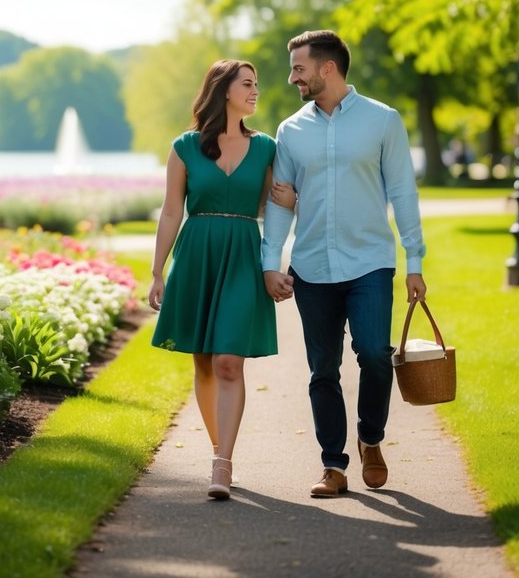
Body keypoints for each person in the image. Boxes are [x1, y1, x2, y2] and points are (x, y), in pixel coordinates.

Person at [261, 29, 427, 498]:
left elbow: (402, 192)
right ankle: (333, 465)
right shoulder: (290, 130)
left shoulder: (383, 121)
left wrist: (414, 259)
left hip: (370, 262)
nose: (292, 77)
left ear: (326, 68)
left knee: (375, 355)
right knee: (322, 370)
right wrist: (272, 261)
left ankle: (370, 438)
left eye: (299, 68)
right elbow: (280, 201)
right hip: (311, 266)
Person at [149, 59, 293, 500]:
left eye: (256, 85)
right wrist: (157, 271)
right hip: (196, 255)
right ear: (222, 89)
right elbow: (173, 210)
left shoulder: (268, 147)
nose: (255, 91)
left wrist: (291, 202)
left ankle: (222, 462)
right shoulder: (185, 147)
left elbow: (277, 209)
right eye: (247, 84)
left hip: (243, 257)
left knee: (230, 360)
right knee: (204, 361)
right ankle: (218, 446)